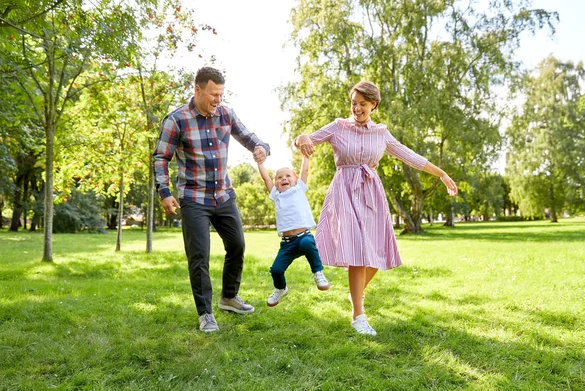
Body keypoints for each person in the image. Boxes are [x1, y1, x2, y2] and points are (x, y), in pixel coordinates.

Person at [295, 81, 458, 336]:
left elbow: (409, 155)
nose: (357, 108)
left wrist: (441, 174)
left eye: (363, 104)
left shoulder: (381, 133)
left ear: (374, 105)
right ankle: (358, 316)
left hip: (371, 192)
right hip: (345, 192)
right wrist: (301, 138)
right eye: (353, 103)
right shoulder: (338, 127)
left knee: (375, 255)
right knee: (358, 252)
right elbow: (306, 140)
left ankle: (355, 297)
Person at [153, 67, 270, 332]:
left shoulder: (226, 114)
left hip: (223, 195)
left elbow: (248, 137)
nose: (218, 99)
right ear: (197, 90)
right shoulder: (177, 120)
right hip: (193, 198)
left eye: (221, 94)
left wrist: (262, 147)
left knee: (237, 245)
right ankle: (205, 313)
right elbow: (161, 157)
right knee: (199, 256)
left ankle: (229, 297)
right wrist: (165, 192)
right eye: (213, 94)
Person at [257, 155, 330, 307]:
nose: (284, 179)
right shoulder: (276, 195)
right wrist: (260, 164)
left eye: (288, 176)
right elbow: (266, 180)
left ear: (296, 179)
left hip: (303, 236)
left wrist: (305, 156)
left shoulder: (299, 188)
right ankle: (280, 288)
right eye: (279, 177)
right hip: (287, 243)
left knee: (307, 244)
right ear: (276, 183)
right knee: (276, 270)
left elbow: (305, 169)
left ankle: (318, 273)